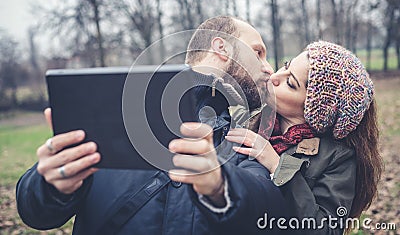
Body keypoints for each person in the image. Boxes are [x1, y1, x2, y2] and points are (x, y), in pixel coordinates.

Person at [16, 16, 288, 234]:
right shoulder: (118, 113)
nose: (268, 68)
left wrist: (221, 188)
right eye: (258, 53)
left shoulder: (248, 141)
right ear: (222, 48)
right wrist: (48, 184)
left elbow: (268, 211)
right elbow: (36, 214)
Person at [225, 41, 383, 234]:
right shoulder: (248, 121)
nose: (274, 77)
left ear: (316, 112)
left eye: (291, 83)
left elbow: (325, 230)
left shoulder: (338, 158)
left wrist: (278, 166)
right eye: (285, 66)